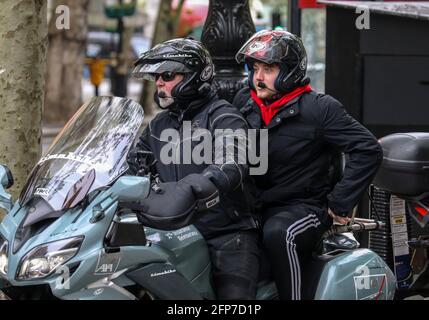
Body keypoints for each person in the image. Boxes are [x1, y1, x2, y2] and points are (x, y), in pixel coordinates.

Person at [233, 29, 383, 300]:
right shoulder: (245, 104)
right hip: (255, 205)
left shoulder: (319, 108)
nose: (258, 77)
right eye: (255, 68)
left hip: (302, 207)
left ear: (290, 70)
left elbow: (368, 149)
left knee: (281, 233)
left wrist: (340, 202)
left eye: (268, 68)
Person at [127, 38, 260, 299]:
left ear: (194, 77)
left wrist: (204, 180)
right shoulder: (159, 125)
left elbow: (232, 160)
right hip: (173, 232)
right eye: (156, 77)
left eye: (167, 75)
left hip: (226, 232)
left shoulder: (224, 116)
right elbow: (132, 163)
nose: (159, 83)